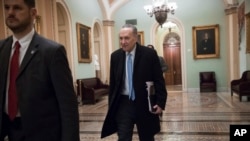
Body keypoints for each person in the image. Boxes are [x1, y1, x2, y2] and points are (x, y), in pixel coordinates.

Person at [0, 0, 80, 141]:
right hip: (7, 130)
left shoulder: (52, 52)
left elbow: (68, 106)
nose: (10, 12)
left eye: (17, 8)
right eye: (7, 7)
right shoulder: (2, 49)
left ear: (33, 13)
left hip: (41, 134)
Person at [101, 24, 167, 141]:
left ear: (135, 38)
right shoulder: (115, 56)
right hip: (123, 104)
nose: (123, 42)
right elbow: (113, 85)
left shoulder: (149, 54)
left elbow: (158, 80)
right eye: (121, 38)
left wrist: (160, 102)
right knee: (123, 137)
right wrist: (111, 106)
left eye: (126, 38)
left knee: (147, 137)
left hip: (144, 103)